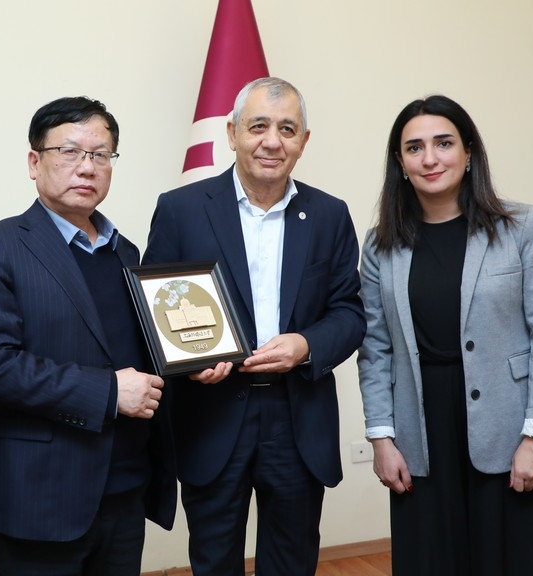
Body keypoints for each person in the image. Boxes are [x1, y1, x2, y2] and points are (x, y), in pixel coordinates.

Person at [142, 77, 365, 575]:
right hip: (212, 415)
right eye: (258, 126)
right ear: (232, 133)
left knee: (292, 560)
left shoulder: (329, 215)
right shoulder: (181, 210)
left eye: (287, 129)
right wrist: (189, 363)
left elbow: (349, 313)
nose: (272, 141)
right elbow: (156, 309)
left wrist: (306, 344)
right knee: (214, 560)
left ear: (303, 141)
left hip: (297, 416)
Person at [0, 96, 175, 576]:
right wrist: (110, 392)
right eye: (70, 152)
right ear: (35, 163)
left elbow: (142, 355)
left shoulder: (126, 253)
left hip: (126, 487)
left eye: (101, 154)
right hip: (41, 494)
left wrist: (197, 360)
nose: (87, 167)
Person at [356, 94, 533, 575]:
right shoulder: (379, 245)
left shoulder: (522, 226)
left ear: (469, 151)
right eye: (414, 148)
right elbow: (375, 349)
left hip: (508, 428)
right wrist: (382, 439)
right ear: (400, 163)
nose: (429, 158)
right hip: (419, 432)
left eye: (444, 143)